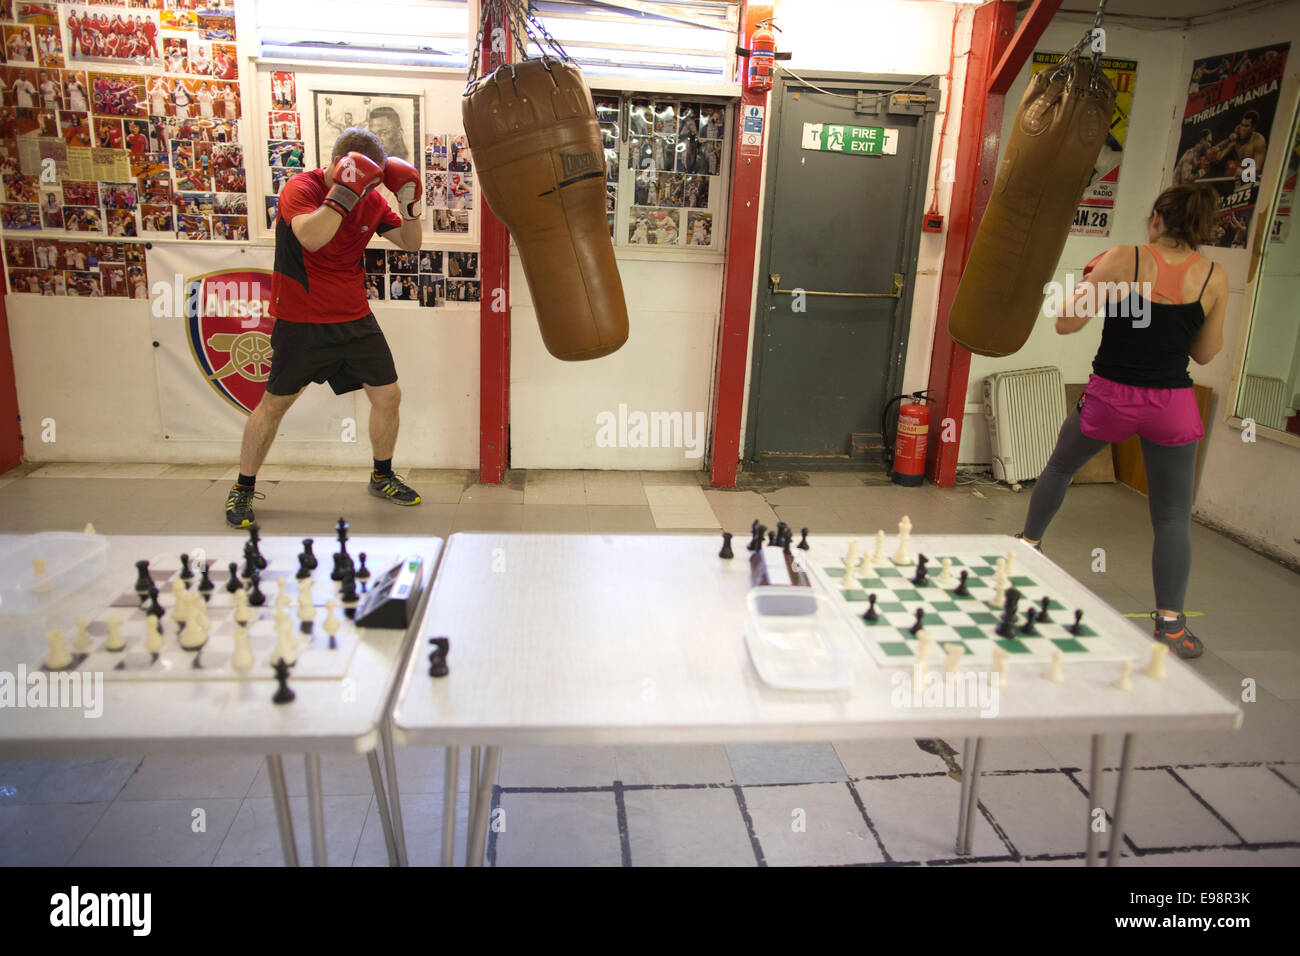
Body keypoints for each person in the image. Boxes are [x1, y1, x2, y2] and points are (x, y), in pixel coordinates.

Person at [1017, 185, 1228, 660]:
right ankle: (1172, 625)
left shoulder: (1123, 259)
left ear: (1156, 218)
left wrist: (1097, 282)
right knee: (1173, 515)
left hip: (1112, 397)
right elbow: (1205, 352)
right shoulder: (1214, 275)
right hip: (1172, 403)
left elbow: (1066, 323)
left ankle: (1027, 546)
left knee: (1060, 467)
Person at [225, 127, 425, 527]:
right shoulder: (301, 188)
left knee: (388, 396)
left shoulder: (370, 197)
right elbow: (311, 238)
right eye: (361, 179)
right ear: (338, 164)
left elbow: (410, 244)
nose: (367, 190)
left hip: (354, 317)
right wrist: (343, 193)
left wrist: (411, 207)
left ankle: (381, 476)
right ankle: (242, 489)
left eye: (371, 183)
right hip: (302, 320)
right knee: (275, 405)